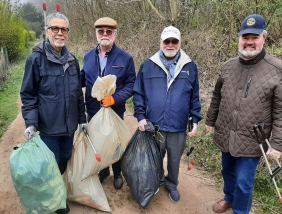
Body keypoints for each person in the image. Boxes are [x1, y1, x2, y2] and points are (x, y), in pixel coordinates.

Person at [205, 14, 282, 214]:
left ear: (264, 38)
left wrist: (277, 143)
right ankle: (229, 199)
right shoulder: (228, 66)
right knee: (227, 172)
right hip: (226, 133)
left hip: (252, 139)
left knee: (244, 182)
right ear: (239, 39)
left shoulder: (277, 70)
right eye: (245, 37)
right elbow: (216, 96)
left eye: (254, 37)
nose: (249, 42)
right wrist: (210, 120)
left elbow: (281, 111)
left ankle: (241, 211)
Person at [20, 13, 87, 214]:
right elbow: (28, 94)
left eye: (64, 29)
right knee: (49, 166)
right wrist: (31, 123)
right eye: (55, 28)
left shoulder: (72, 60)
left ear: (67, 33)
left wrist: (82, 119)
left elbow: (77, 95)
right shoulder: (35, 60)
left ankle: (54, 193)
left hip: (69, 127)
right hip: (48, 128)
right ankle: (55, 202)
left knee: (64, 159)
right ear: (47, 31)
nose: (60, 33)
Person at [133, 26, 202, 202]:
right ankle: (156, 181)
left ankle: (171, 184)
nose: (170, 45)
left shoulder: (190, 66)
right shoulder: (148, 65)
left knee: (174, 160)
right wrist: (141, 117)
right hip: (154, 124)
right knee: (154, 157)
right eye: (167, 41)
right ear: (161, 43)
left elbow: (194, 95)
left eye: (174, 41)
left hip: (178, 125)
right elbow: (139, 93)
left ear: (180, 43)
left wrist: (195, 118)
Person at [80, 17, 136, 189]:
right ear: (96, 33)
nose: (105, 34)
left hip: (114, 110)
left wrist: (115, 98)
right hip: (93, 109)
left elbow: (132, 84)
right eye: (101, 31)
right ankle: (103, 170)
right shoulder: (88, 56)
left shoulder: (125, 58)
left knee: (115, 142)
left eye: (109, 31)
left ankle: (117, 172)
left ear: (114, 34)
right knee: (98, 142)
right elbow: (83, 79)